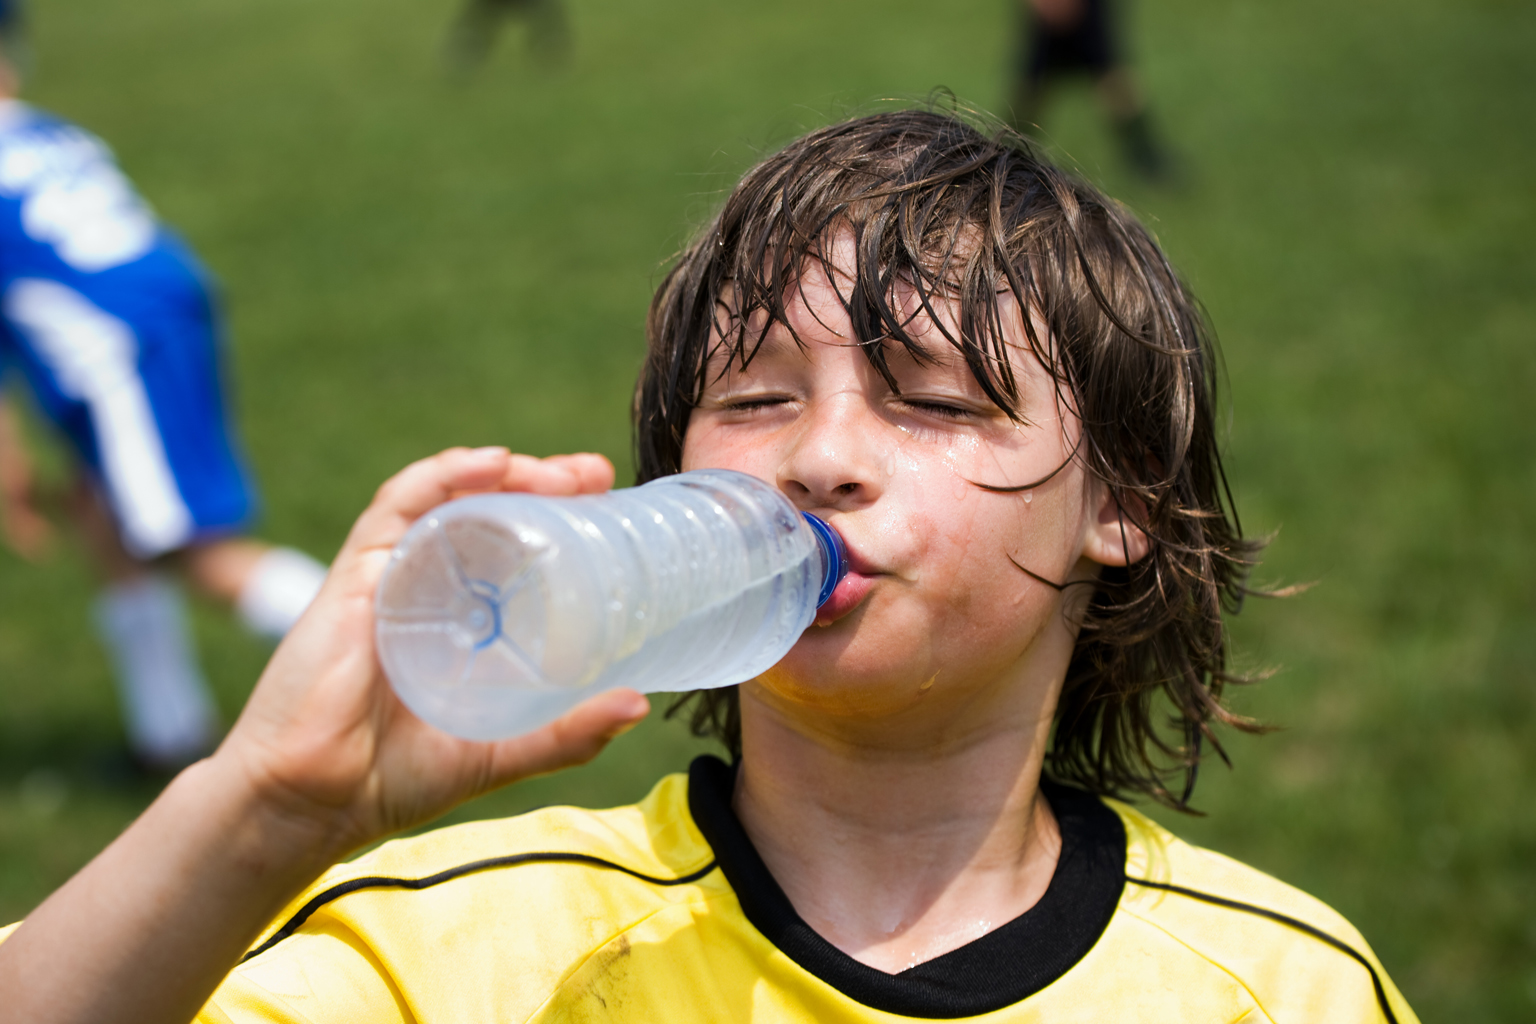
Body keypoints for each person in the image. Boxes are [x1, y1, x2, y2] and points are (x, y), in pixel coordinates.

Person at [0, 110, 1417, 1022]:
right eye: (753, 398)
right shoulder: (459, 955)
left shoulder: (1282, 988)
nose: (820, 457)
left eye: (929, 400)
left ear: (1124, 507)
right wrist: (263, 811)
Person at [0, 35, 327, 771]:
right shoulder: (47, 130)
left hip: (116, 348)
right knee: (101, 504)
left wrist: (10, 469)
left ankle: (414, 654)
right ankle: (168, 733)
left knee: (189, 548)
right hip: (164, 309)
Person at [1007, 0, 1171, 181]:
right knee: (1032, 88)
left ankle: (1144, 154)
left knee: (1112, 80)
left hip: (1088, 9)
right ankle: (1008, 152)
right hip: (1052, 12)